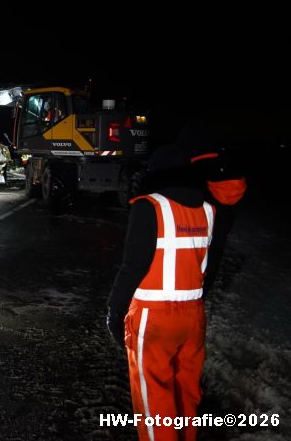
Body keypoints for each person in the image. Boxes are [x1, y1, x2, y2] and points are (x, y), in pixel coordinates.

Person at [107, 144, 214, 441]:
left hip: (153, 319)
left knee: (155, 403)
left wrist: (114, 311)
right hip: (193, 317)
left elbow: (132, 267)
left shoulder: (149, 206)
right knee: (187, 394)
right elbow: (206, 267)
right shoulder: (208, 210)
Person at [177, 121, 246, 298]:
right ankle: (204, 290)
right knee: (216, 249)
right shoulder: (230, 170)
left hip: (202, 223)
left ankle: (192, 290)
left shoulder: (196, 169)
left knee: (197, 251)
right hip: (225, 217)